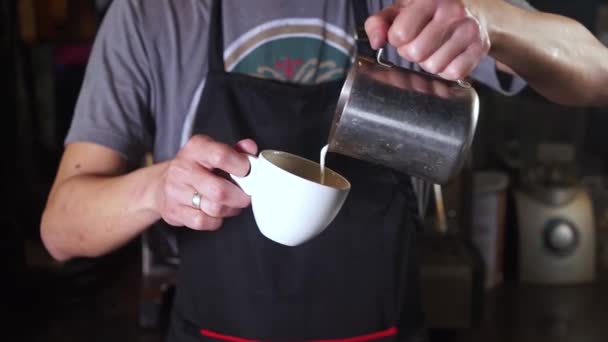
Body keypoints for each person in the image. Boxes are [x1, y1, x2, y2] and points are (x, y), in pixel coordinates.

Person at [40, 0, 608, 340]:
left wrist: (492, 21)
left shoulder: (410, 9)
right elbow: (60, 231)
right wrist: (155, 188)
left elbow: (597, 71)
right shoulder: (153, 16)